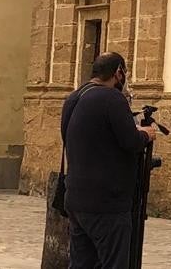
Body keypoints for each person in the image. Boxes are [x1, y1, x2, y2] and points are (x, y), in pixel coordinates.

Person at [60, 52, 157, 269]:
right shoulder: (112, 98)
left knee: (81, 263)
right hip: (106, 203)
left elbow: (77, 136)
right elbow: (130, 141)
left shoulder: (74, 97)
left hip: (76, 197)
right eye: (125, 74)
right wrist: (145, 134)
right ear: (118, 73)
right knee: (114, 262)